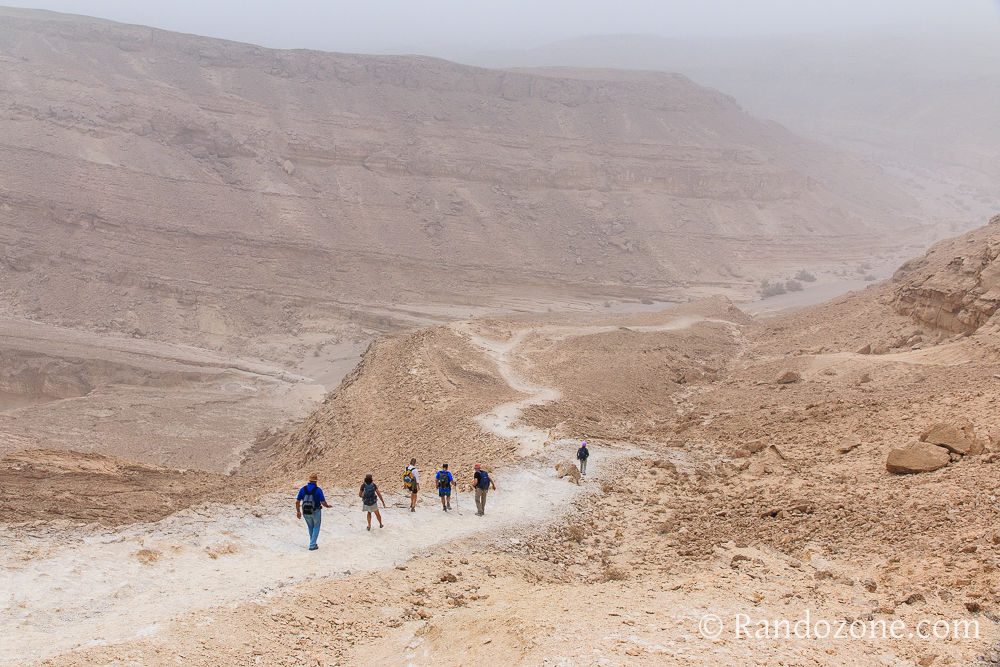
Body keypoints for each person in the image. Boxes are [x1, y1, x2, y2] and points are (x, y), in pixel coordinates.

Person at [296, 473, 332, 550]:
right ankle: (312, 545)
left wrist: (298, 511)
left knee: (310, 527)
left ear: (309, 480)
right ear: (316, 481)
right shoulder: (318, 490)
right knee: (316, 526)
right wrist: (327, 506)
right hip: (316, 511)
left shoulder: (303, 489)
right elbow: (323, 502)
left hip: (305, 511)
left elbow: (297, 501)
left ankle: (313, 543)